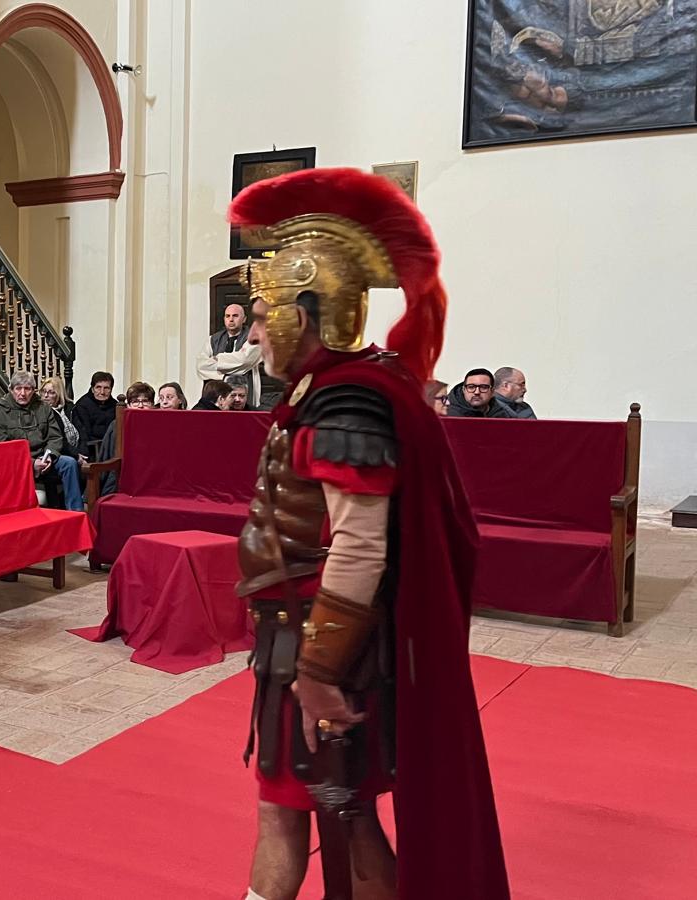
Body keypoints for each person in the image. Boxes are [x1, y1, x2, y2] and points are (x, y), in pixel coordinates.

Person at [228, 167, 508, 899]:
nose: (255, 330)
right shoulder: (336, 388)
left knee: (322, 819)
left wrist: (317, 673)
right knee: (335, 816)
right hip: (303, 642)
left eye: (263, 313)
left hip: (319, 648)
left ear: (305, 310)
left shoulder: (345, 404)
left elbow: (357, 546)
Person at [0, 370, 69, 504]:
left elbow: (55, 437)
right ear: (11, 390)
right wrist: (32, 463)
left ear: (34, 390)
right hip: (17, 464)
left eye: (27, 389)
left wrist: (50, 456)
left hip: (44, 458)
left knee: (69, 464)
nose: (23, 393)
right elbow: (2, 449)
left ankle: (76, 511)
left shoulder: (43, 407)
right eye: (18, 388)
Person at [198, 304, 283, 409]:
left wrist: (217, 359)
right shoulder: (213, 340)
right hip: (219, 392)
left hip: (245, 386)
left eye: (235, 316)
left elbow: (244, 360)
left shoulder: (253, 338)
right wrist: (226, 375)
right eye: (227, 316)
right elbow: (201, 365)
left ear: (244, 319)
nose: (231, 319)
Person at [40, 376, 83, 510]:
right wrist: (77, 455)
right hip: (54, 452)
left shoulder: (70, 408)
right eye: (44, 392)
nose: (46, 396)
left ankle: (84, 501)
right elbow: (57, 439)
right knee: (71, 463)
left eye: (51, 392)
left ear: (59, 394)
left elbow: (82, 431)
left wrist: (83, 452)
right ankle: (75, 509)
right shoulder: (42, 411)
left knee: (96, 462)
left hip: (75, 448)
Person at [70, 372, 117, 460]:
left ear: (111, 389)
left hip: (112, 447)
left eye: (106, 388)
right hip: (91, 449)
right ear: (92, 389)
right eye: (98, 387)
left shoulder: (116, 406)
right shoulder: (82, 406)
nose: (102, 392)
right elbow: (83, 434)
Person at [445, 368, 510, 418]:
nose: (477, 392)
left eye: (484, 387)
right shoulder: (447, 414)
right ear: (464, 390)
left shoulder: (502, 415)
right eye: (471, 387)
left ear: (492, 392)